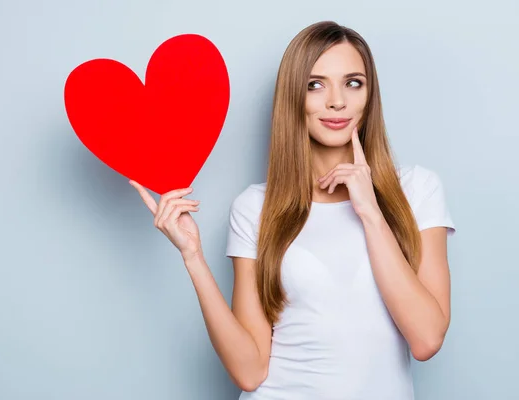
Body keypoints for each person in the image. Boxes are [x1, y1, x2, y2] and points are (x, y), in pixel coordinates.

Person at [130, 20, 456, 400]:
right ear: (293, 97)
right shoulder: (255, 207)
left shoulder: (417, 189)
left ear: (370, 95)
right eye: (315, 85)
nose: (337, 101)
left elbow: (427, 339)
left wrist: (370, 210)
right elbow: (250, 372)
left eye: (353, 83)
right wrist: (193, 258)